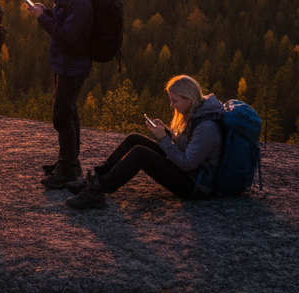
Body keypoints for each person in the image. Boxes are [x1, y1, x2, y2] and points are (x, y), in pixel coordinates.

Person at [65, 74, 224, 210]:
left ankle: (98, 191)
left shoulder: (207, 128)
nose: (172, 105)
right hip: (187, 172)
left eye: (174, 101)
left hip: (195, 185)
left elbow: (188, 163)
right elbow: (186, 144)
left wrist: (163, 138)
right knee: (134, 138)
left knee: (140, 154)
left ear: (188, 99)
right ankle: (95, 180)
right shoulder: (195, 112)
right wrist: (167, 132)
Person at [27, 0, 94, 189]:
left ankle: (68, 170)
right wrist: (45, 11)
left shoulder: (80, 1)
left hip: (73, 67)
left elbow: (67, 36)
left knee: (61, 116)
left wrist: (41, 19)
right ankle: (69, 164)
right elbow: (63, 24)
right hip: (64, 64)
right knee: (70, 113)